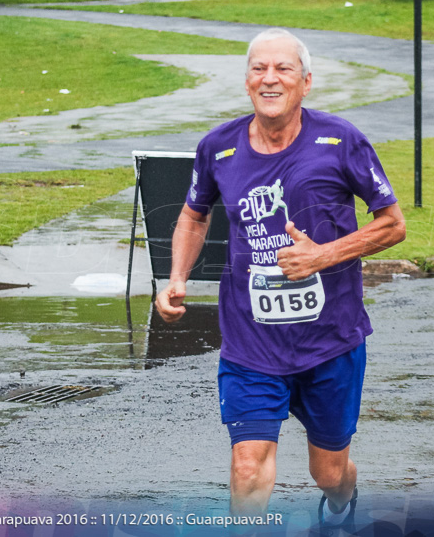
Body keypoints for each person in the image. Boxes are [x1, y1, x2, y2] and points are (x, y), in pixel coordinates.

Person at [154, 28, 405, 531]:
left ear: (305, 82)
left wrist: (322, 256)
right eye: (258, 69)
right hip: (251, 343)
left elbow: (393, 224)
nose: (269, 78)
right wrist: (176, 276)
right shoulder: (218, 147)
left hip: (329, 341)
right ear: (247, 81)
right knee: (248, 464)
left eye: (283, 69)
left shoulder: (340, 140)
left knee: (329, 473)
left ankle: (340, 506)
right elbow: (193, 216)